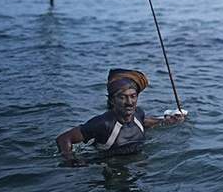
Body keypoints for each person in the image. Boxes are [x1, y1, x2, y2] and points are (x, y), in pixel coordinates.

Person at [56, 68, 185, 162]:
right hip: (109, 166)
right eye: (122, 97)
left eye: (133, 96)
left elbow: (145, 121)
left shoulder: (138, 113)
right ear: (112, 100)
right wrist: (71, 161)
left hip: (137, 163)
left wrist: (169, 120)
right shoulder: (103, 124)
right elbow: (64, 138)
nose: (129, 102)